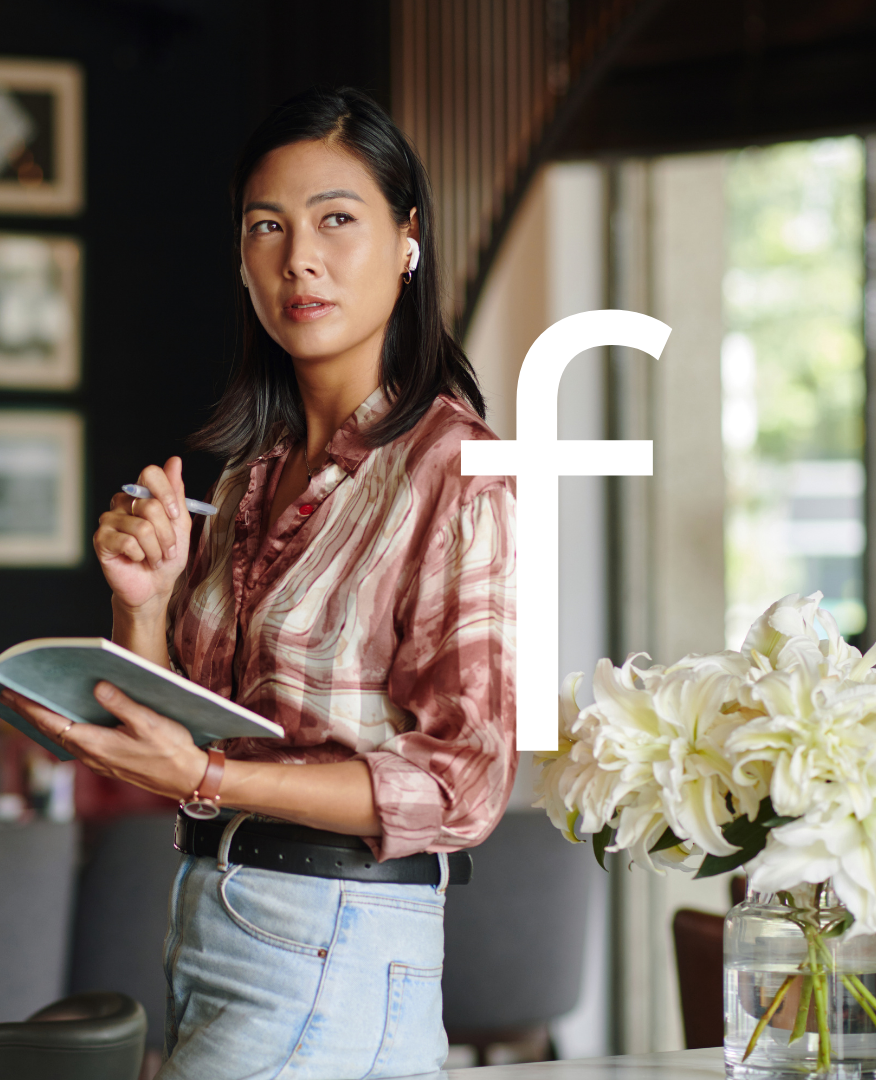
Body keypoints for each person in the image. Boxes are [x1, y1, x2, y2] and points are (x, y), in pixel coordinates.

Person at [0, 87, 516, 1080]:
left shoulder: (457, 467)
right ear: (241, 258)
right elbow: (200, 735)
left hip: (340, 936)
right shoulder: (254, 474)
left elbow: (468, 778)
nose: (299, 259)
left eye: (337, 219)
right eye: (266, 227)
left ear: (409, 240)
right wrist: (142, 607)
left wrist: (210, 782)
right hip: (213, 919)